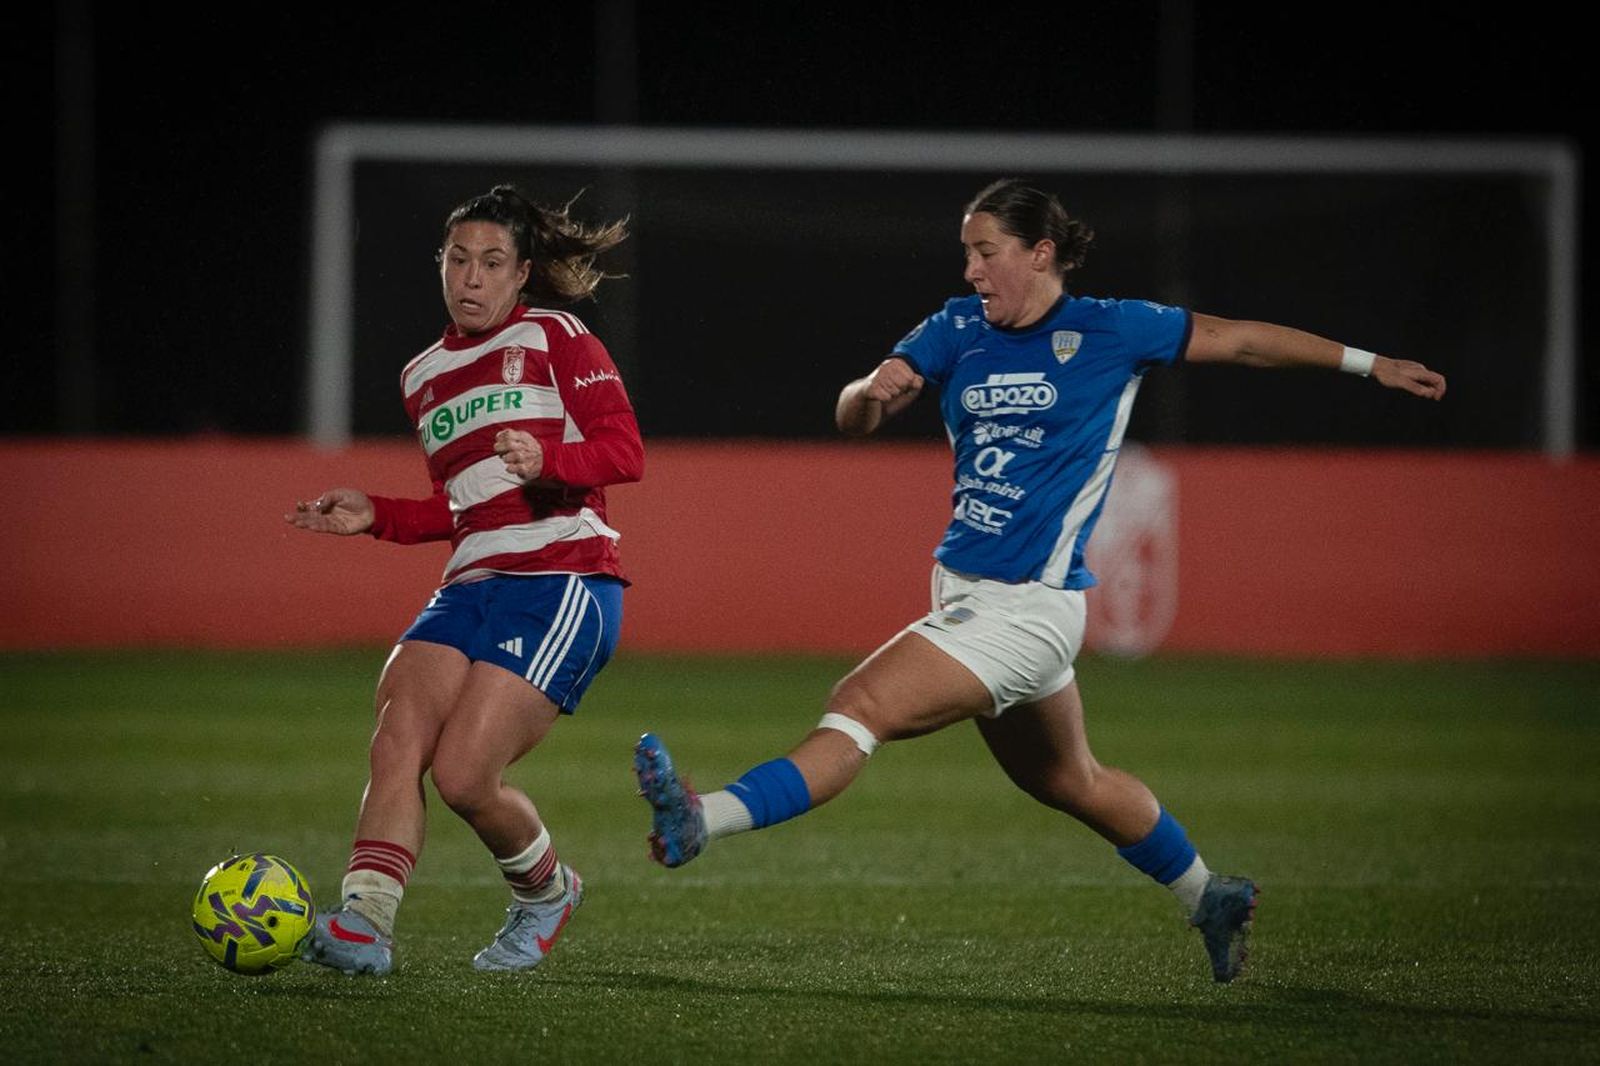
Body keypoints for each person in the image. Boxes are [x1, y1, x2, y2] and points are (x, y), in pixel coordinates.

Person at [634, 178, 1446, 984]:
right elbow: (857, 415)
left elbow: (1238, 340)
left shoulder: (1113, 329)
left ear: (1042, 253)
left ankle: (703, 820)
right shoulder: (956, 330)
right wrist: (868, 393)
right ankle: (1210, 893)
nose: (973, 272)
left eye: (987, 253)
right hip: (968, 599)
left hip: (1028, 608)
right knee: (1070, 780)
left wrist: (1369, 364)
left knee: (860, 707)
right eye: (967, 254)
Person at [288, 184, 642, 975]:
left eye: (491, 263)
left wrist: (549, 459)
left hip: (562, 577)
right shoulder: (424, 375)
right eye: (458, 260)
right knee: (396, 737)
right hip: (469, 582)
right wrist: (375, 514)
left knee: (463, 778)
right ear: (439, 266)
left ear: (522, 275)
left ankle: (548, 894)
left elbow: (625, 453)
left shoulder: (559, 335)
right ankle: (365, 923)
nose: (471, 279)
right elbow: (466, 509)